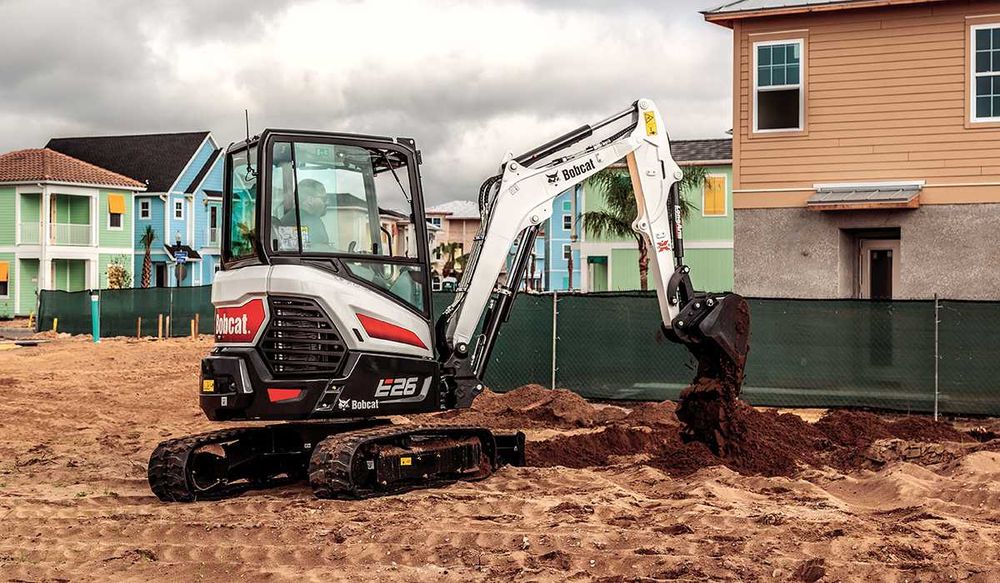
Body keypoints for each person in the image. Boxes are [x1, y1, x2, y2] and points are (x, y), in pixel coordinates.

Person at [276, 178, 330, 249]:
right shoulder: (312, 222)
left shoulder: (286, 220)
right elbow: (322, 251)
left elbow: (292, 253)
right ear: (309, 200)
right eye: (324, 199)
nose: (327, 203)